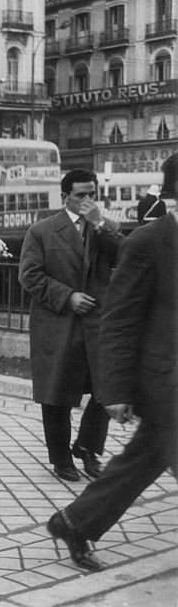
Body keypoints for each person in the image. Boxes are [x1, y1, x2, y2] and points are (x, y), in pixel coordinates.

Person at [46, 156, 177, 572]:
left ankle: (74, 522)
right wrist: (116, 390)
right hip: (166, 381)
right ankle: (75, 523)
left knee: (141, 461)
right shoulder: (149, 242)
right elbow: (119, 321)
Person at [19, 169, 124, 482]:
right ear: (65, 196)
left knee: (106, 388)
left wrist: (100, 223)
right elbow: (30, 276)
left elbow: (127, 254)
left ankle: (88, 447)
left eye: (92, 193)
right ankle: (61, 458)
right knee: (58, 394)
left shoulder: (103, 228)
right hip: (58, 323)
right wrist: (67, 297)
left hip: (96, 323)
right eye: (80, 195)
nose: (87, 200)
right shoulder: (43, 231)